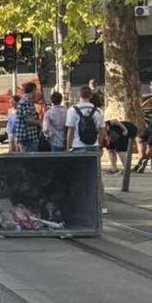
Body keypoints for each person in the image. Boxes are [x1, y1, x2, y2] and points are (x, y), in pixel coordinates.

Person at [66, 85, 108, 213]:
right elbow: (102, 132)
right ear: (90, 96)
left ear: (79, 95)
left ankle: (80, 205)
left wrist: (68, 147)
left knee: (78, 177)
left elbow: (70, 131)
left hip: (77, 147)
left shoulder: (73, 110)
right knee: (97, 177)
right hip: (93, 147)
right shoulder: (98, 111)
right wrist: (100, 145)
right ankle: (102, 206)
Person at [14, 82, 43, 153]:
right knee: (30, 157)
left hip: (26, 136)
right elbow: (28, 119)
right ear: (33, 90)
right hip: (28, 136)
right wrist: (39, 122)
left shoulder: (26, 101)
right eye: (36, 90)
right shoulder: (26, 102)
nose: (36, 92)